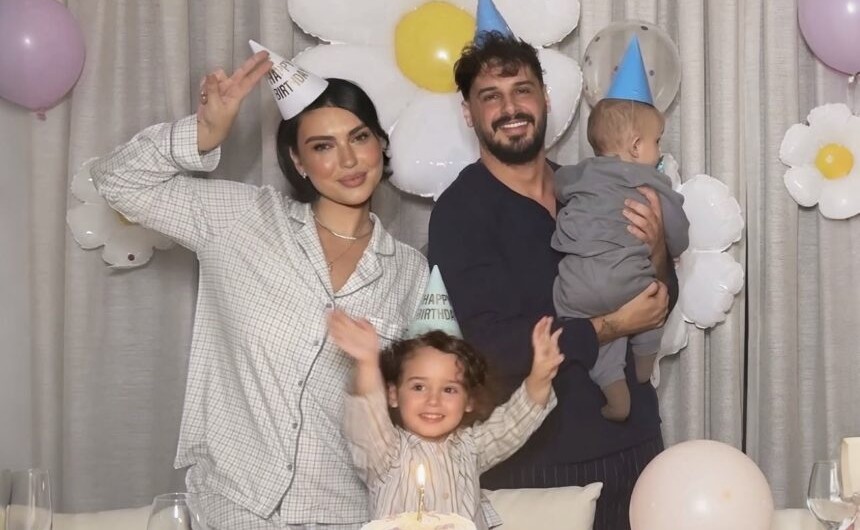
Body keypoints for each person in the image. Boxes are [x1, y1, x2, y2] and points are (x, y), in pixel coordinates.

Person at [90, 49, 428, 530]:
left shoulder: (411, 272)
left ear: (380, 144)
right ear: (298, 160)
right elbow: (117, 180)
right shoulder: (240, 219)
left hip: (348, 514)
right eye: (323, 146)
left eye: (359, 137)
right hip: (233, 508)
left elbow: (419, 409)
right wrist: (203, 133)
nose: (349, 160)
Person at [427, 31, 676, 530]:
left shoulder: (591, 185)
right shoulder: (460, 212)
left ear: (544, 98)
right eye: (490, 96)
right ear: (468, 113)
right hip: (538, 468)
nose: (509, 107)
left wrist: (656, 248)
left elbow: (657, 300)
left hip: (636, 449)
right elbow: (492, 346)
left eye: (522, 89)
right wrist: (606, 327)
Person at [327, 296, 562, 530]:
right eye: (419, 387)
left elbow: (513, 424)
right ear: (393, 395)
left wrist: (540, 377)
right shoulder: (387, 454)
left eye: (449, 389)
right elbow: (368, 419)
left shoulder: (471, 447)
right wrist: (367, 363)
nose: (433, 400)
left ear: (469, 400)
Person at [553, 97, 689, 422]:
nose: (659, 151)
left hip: (576, 288)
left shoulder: (579, 175)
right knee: (650, 294)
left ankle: (614, 390)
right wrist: (666, 237)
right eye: (657, 142)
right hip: (627, 282)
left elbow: (558, 187)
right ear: (636, 146)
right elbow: (679, 235)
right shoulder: (650, 182)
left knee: (592, 325)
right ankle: (644, 359)